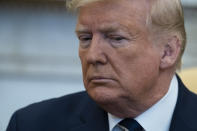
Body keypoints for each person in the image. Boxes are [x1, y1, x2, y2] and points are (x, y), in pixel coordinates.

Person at [6, 0, 197, 131]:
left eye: (116, 39)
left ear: (168, 52)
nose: (92, 55)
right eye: (85, 38)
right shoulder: (32, 125)